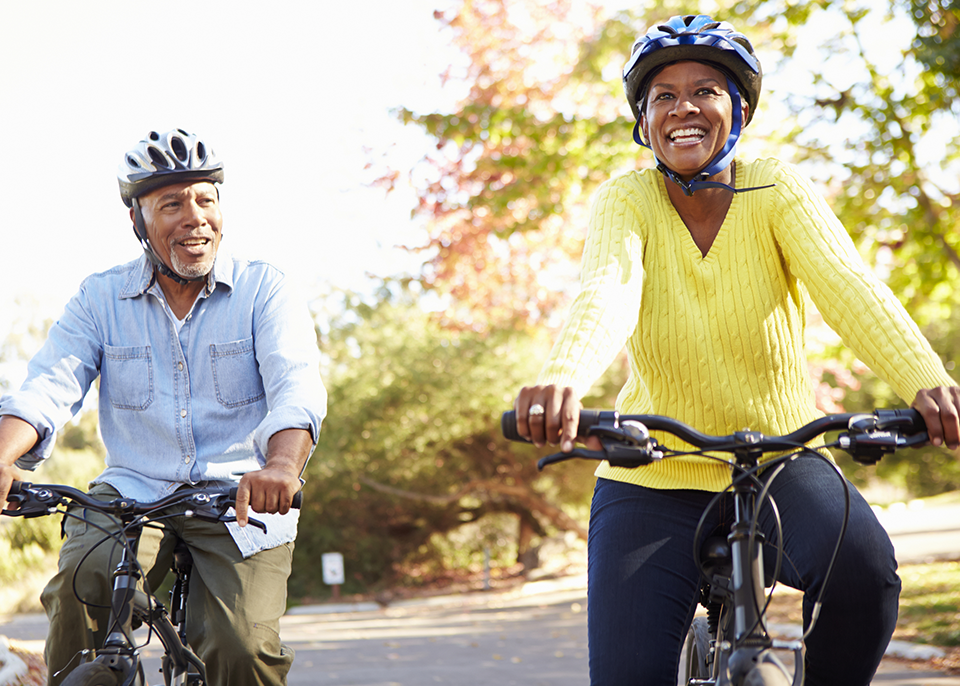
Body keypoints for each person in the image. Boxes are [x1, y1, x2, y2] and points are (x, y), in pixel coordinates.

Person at [513, 15, 960, 686]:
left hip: (782, 459)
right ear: (644, 123)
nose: (683, 107)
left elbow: (847, 285)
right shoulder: (625, 199)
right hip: (653, 474)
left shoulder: (774, 186)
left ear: (739, 111)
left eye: (705, 91)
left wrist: (927, 382)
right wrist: (563, 379)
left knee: (867, 576)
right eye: (663, 95)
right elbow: (608, 290)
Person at [0, 128, 327, 686]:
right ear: (138, 221)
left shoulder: (262, 290)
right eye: (172, 204)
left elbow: (296, 388)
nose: (194, 216)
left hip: (240, 502)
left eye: (206, 199)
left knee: (240, 647)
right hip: (133, 490)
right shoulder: (100, 298)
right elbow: (47, 386)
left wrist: (280, 468)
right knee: (83, 581)